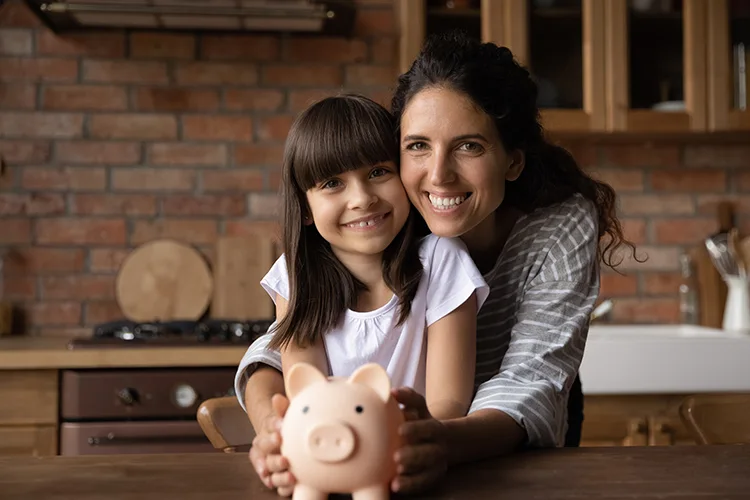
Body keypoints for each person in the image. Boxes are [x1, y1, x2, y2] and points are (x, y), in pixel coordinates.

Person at [237, 31, 638, 496]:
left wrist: (432, 439)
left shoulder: (558, 225)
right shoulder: (386, 217)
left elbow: (533, 377)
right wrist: (276, 426)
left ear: (512, 160)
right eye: (418, 146)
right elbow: (285, 342)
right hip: (383, 447)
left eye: (469, 146)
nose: (438, 175)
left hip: (502, 440)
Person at [236, 94, 490, 436]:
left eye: (378, 172)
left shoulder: (443, 261)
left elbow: (448, 405)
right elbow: (306, 397)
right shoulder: (296, 275)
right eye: (332, 183)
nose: (362, 199)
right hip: (331, 450)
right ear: (306, 209)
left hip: (418, 450)